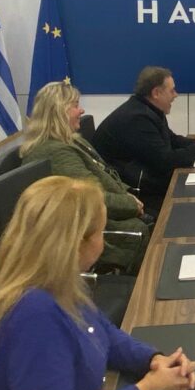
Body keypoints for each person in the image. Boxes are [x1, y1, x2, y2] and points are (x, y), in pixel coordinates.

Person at [0, 176, 195, 390]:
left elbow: (102, 331)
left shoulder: (51, 280)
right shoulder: (33, 315)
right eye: (100, 233)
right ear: (77, 244)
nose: (102, 242)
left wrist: (152, 359)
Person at [19, 82, 150, 274]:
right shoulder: (56, 152)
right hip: (83, 230)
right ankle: (143, 285)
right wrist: (130, 204)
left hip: (94, 217)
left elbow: (105, 174)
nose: (81, 110)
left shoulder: (70, 140)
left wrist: (128, 194)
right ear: (59, 111)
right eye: (75, 105)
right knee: (150, 229)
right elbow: (91, 196)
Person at [92, 66, 195, 213]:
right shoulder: (137, 118)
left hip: (145, 179)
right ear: (156, 93)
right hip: (134, 192)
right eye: (172, 90)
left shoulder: (148, 109)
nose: (176, 95)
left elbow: (171, 139)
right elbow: (165, 161)